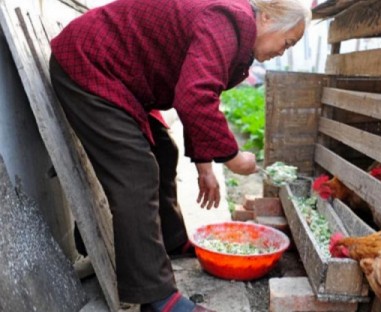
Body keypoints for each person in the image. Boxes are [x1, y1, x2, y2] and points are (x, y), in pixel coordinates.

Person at [49, 0, 311, 310]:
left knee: (164, 149)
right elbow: (194, 97)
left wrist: (205, 168)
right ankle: (157, 298)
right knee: (137, 172)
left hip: (119, 75)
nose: (284, 50)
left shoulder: (235, 31)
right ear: (267, 18)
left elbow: (197, 92)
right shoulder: (231, 21)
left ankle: (171, 240)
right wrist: (233, 158)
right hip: (91, 63)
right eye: (288, 42)